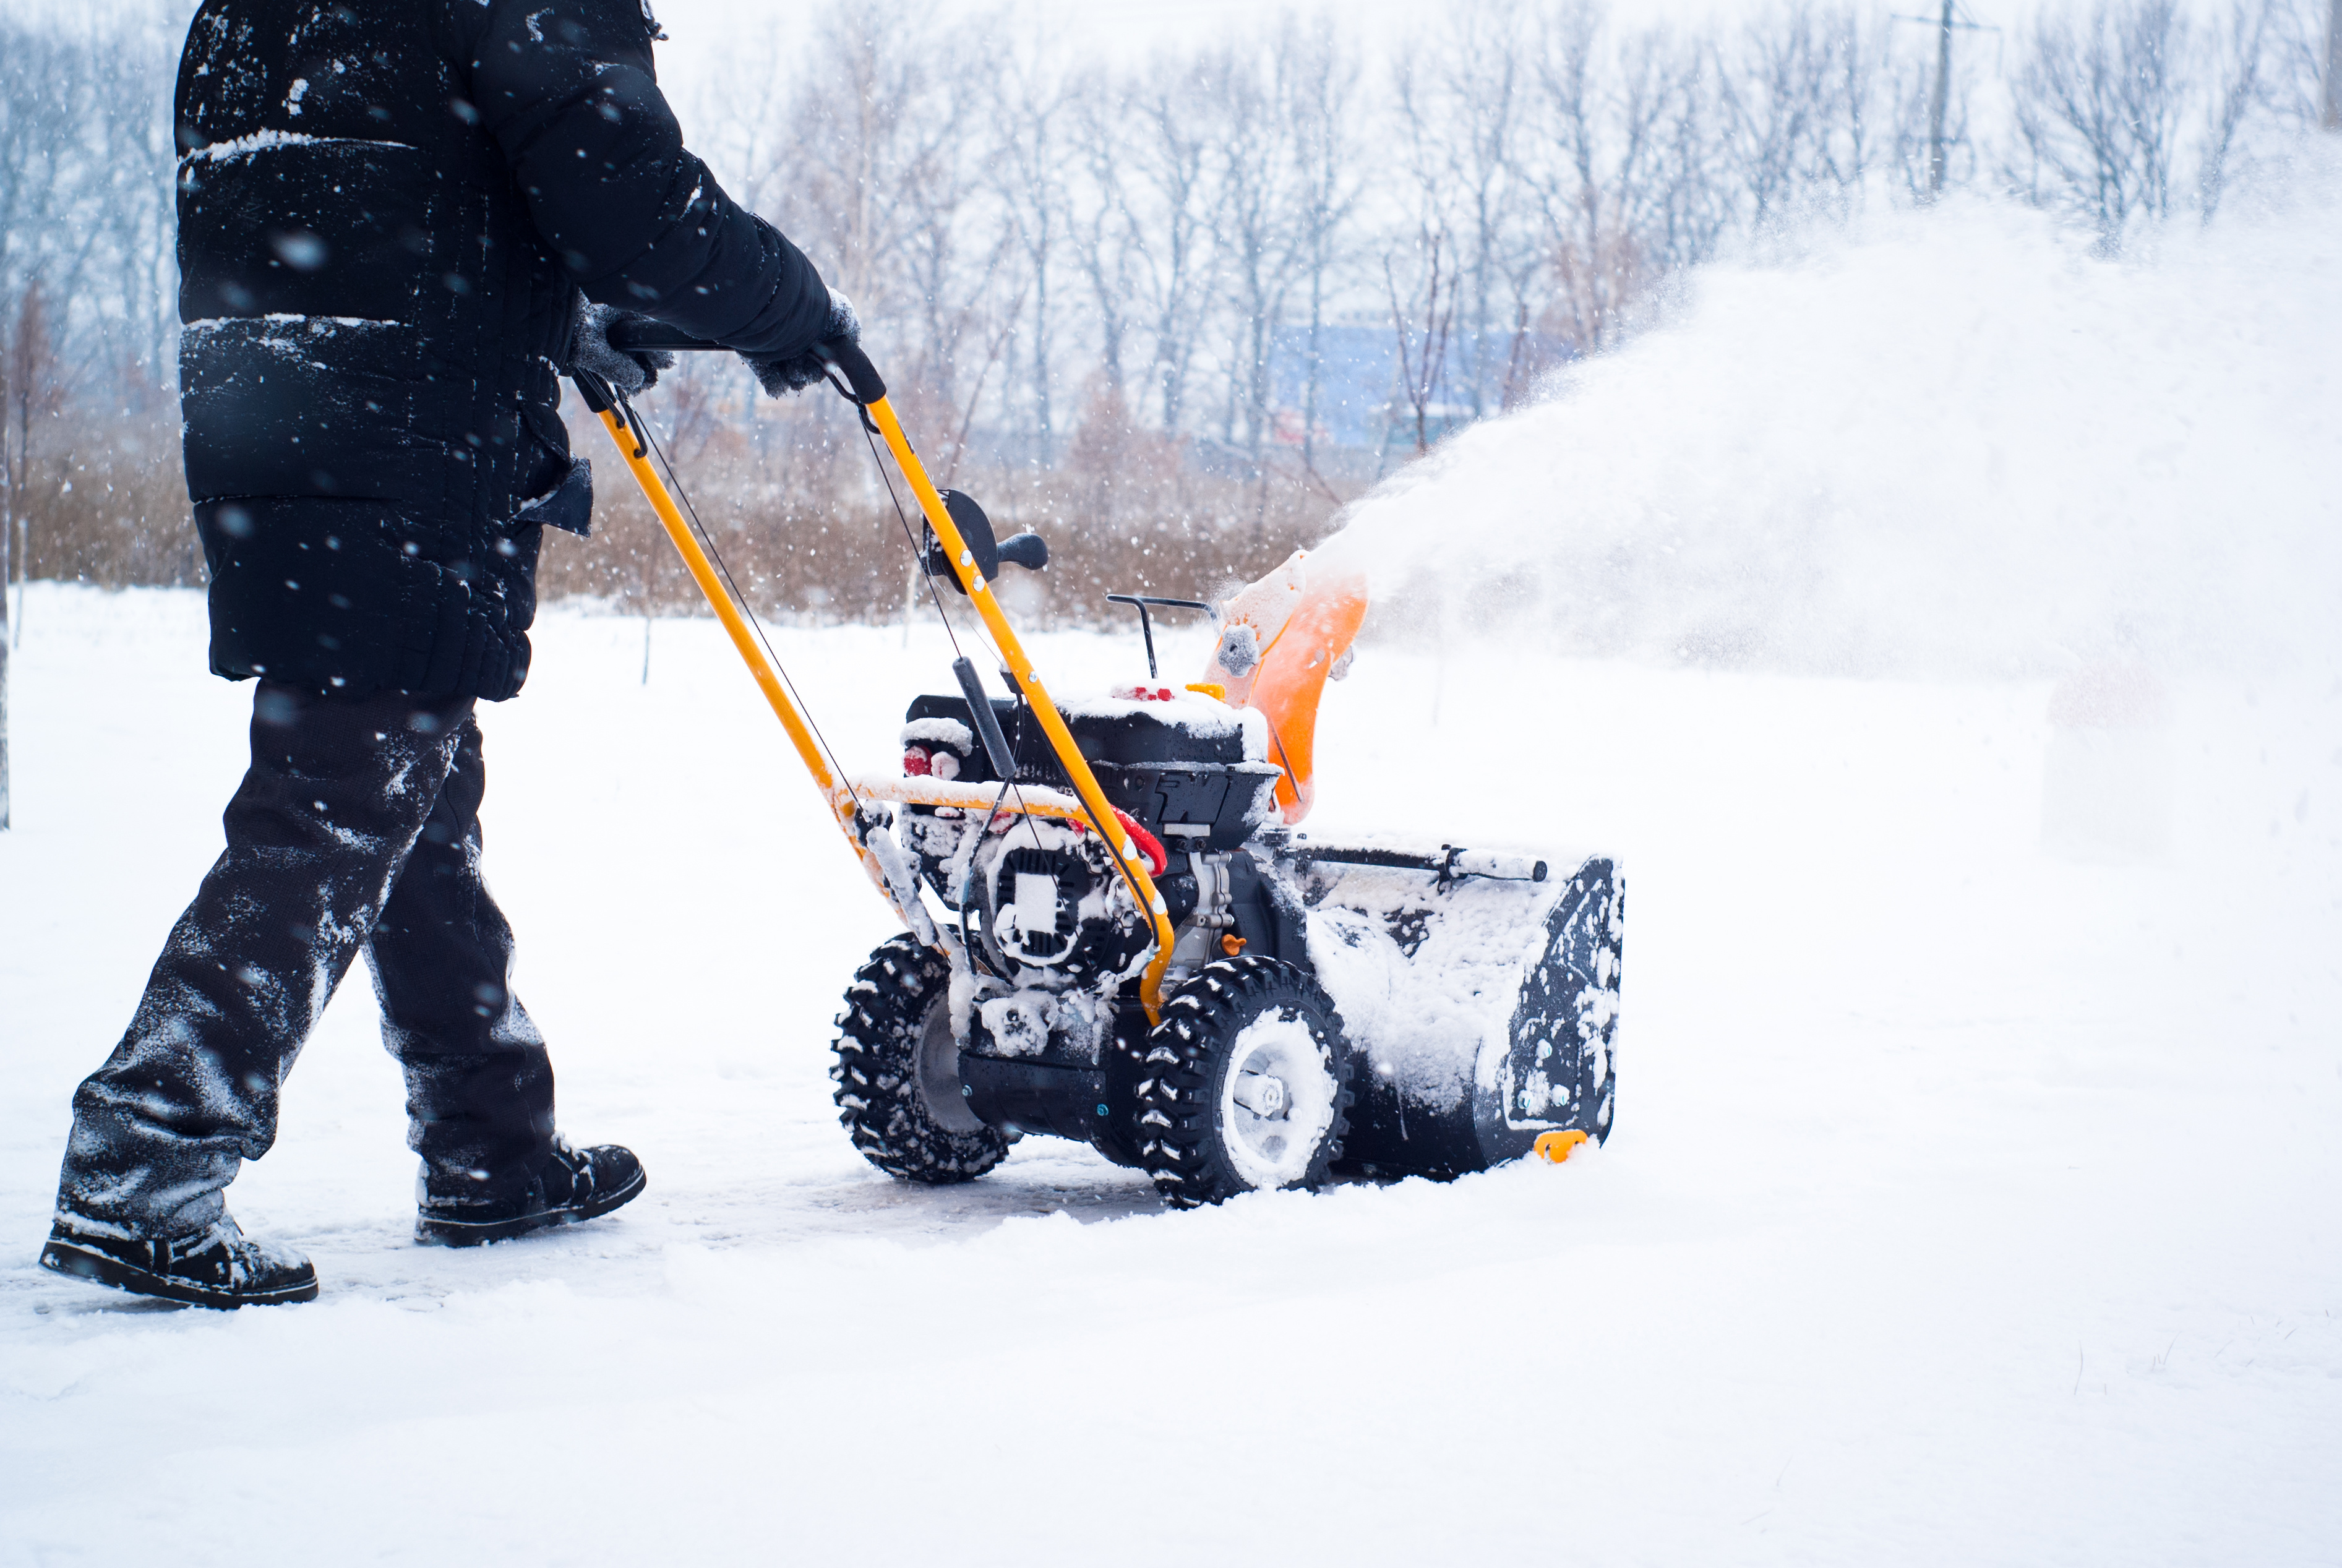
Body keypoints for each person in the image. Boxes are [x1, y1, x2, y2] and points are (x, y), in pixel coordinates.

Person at [38, 0, 856, 1308]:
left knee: (412, 778)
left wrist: (549, 314)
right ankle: (150, 1145)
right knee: (345, 789)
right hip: (406, 431)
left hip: (275, 414)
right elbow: (634, 210)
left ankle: (490, 1142)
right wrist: (789, 304)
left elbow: (358, 187)